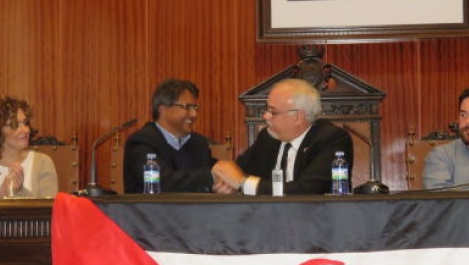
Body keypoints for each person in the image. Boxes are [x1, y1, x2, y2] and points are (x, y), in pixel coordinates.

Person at [212, 78, 353, 195]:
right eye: (267, 110)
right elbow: (235, 173)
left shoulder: (332, 139)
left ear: (297, 117)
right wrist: (225, 183)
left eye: (273, 112)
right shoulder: (267, 138)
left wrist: (243, 183)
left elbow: (307, 191)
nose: (265, 116)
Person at [122, 79, 218, 193]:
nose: (194, 114)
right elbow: (159, 182)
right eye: (187, 107)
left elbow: (215, 173)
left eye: (195, 107)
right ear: (163, 110)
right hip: (152, 210)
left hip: (196, 210)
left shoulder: (198, 143)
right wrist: (211, 176)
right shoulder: (141, 142)